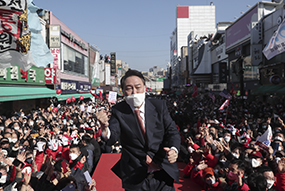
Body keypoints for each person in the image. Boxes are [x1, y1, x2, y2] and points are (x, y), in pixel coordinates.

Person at [96, 69, 181, 191]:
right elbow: (112, 136)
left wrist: (174, 150)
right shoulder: (118, 111)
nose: (134, 92)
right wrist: (104, 127)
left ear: (145, 88)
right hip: (134, 174)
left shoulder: (159, 106)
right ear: (123, 91)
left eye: (138, 87)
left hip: (162, 171)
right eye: (129, 88)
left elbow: (172, 131)